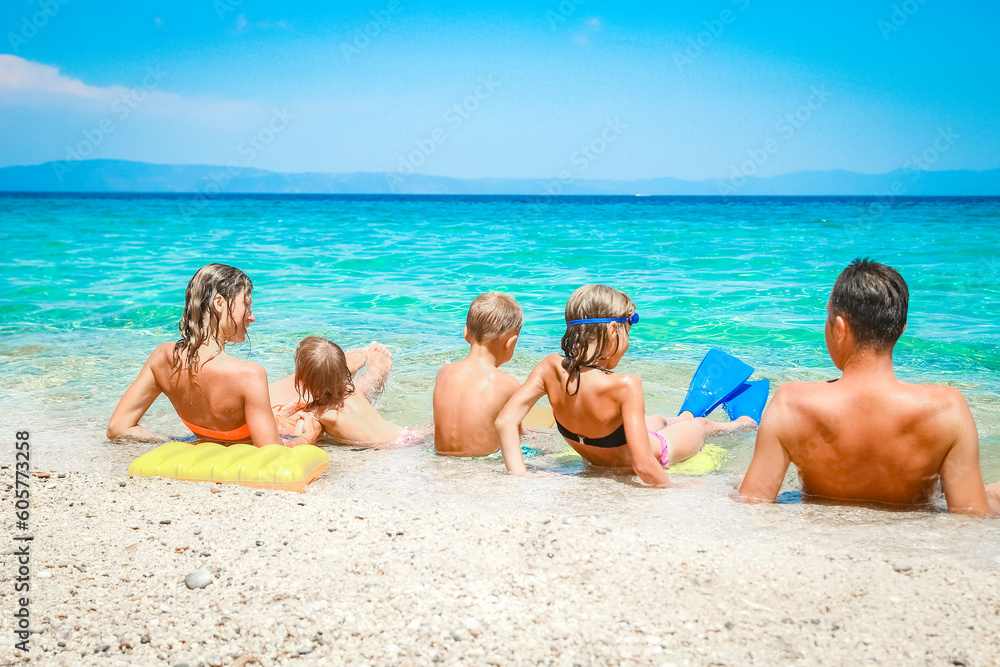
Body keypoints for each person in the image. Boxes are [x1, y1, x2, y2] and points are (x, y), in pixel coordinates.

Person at [739, 258, 999, 517]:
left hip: (823, 528)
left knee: (737, 480)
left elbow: (754, 501)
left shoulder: (791, 403)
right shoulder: (947, 408)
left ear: (839, 328)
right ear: (901, 329)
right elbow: (971, 515)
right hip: (914, 528)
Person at [495, 284, 759, 486]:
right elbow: (644, 464)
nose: (628, 341)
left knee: (654, 419)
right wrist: (675, 490)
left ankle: (681, 417)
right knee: (700, 426)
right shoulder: (626, 385)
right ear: (612, 330)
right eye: (627, 332)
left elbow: (504, 422)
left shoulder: (549, 367)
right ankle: (741, 424)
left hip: (599, 452)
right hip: (658, 451)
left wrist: (519, 476)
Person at [107, 263, 318, 447]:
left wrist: (170, 442)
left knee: (292, 396)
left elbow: (118, 427)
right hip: (260, 429)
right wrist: (307, 439)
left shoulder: (162, 358)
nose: (252, 317)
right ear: (219, 303)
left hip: (236, 426)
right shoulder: (249, 375)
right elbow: (272, 451)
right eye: (247, 305)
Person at [268, 336, 421, 447]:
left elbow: (304, 439)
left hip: (390, 450)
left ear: (301, 380)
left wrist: (288, 437)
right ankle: (375, 374)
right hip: (408, 435)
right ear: (343, 373)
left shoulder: (316, 414)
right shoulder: (350, 389)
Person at [433, 292, 524, 456]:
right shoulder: (510, 385)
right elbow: (516, 436)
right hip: (482, 467)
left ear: (466, 334)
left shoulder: (443, 373)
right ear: (511, 342)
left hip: (440, 461)